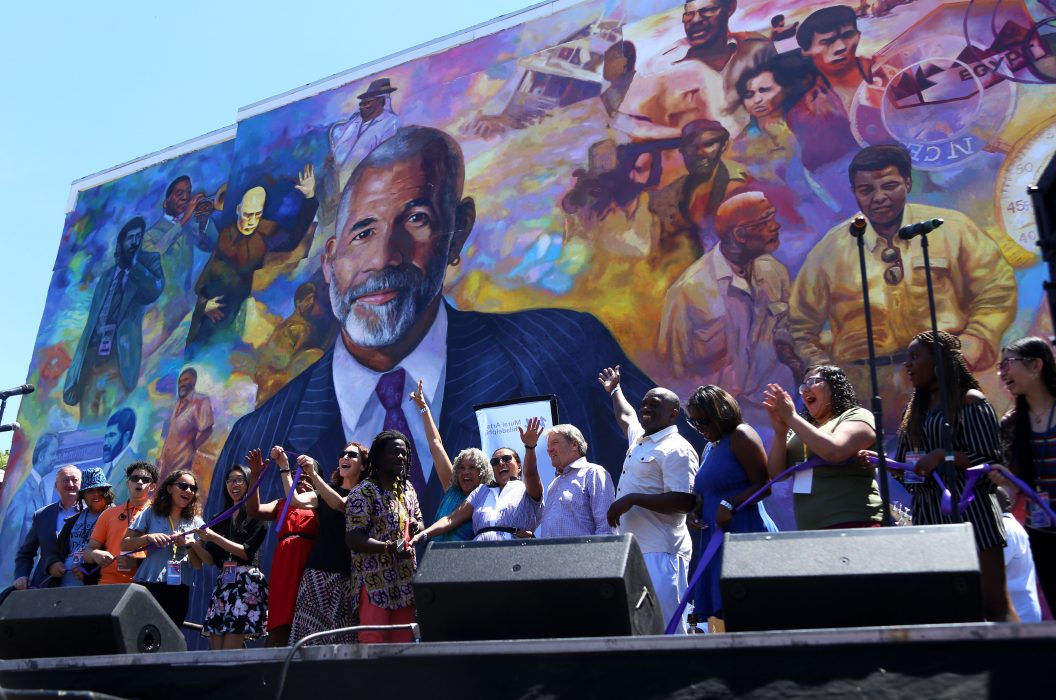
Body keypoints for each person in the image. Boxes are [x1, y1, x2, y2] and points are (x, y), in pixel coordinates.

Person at [204, 125, 674, 539]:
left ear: (458, 231)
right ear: (329, 261)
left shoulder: (571, 351)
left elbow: (689, 490)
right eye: (362, 232)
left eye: (416, 219)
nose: (385, 256)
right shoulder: (256, 437)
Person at [789, 144, 1017, 434]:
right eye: (866, 190)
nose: (879, 197)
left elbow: (996, 288)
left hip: (947, 381)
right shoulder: (830, 251)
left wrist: (975, 342)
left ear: (908, 182)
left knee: (966, 465)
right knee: (893, 476)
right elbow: (801, 326)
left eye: (890, 185)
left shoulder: (949, 229)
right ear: (854, 192)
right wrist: (828, 376)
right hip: (869, 398)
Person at [893, 330, 1016, 621]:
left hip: (972, 513)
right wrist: (900, 469)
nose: (907, 366)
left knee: (993, 605)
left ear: (939, 361)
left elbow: (989, 461)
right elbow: (907, 467)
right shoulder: (915, 411)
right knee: (946, 608)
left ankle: (1019, 662)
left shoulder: (969, 400)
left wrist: (942, 456)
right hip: (929, 516)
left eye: (914, 357)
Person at [658, 192, 797, 421]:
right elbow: (672, 370)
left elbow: (784, 336)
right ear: (741, 234)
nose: (776, 226)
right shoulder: (689, 290)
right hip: (719, 420)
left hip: (771, 414)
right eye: (766, 221)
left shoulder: (775, 273)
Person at [598, 367, 699, 633]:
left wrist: (632, 499)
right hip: (635, 552)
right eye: (644, 404)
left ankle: (682, 675)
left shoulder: (676, 448)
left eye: (654, 405)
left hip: (662, 553)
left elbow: (683, 501)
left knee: (668, 629)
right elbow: (626, 415)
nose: (646, 409)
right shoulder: (642, 440)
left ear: (673, 413)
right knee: (641, 629)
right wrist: (615, 390)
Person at [186, 170, 319, 355]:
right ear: (238, 209)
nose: (251, 221)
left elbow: (293, 239)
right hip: (209, 309)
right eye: (247, 214)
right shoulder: (223, 234)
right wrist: (203, 305)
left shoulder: (266, 233)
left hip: (235, 312)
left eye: (257, 215)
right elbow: (205, 276)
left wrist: (310, 198)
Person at [614, 0, 775, 141]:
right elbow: (624, 122)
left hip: (755, 150)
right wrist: (684, 135)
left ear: (730, 8)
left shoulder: (757, 49)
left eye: (707, 11)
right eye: (689, 14)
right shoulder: (658, 67)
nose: (696, 20)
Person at [683, 385, 776, 623]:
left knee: (753, 610)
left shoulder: (741, 435)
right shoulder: (710, 446)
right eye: (693, 423)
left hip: (745, 534)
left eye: (702, 421)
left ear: (721, 412)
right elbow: (706, 492)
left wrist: (730, 502)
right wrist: (695, 511)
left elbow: (765, 484)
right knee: (728, 617)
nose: (699, 429)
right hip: (718, 540)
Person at [62, 216, 164, 423]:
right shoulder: (108, 275)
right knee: (87, 415)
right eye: (130, 238)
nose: (135, 242)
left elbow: (154, 289)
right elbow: (94, 316)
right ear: (121, 242)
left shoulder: (148, 263)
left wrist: (135, 266)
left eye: (138, 237)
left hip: (119, 354)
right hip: (93, 352)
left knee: (108, 413)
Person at [763, 364, 883, 529]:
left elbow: (835, 451)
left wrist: (791, 417)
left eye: (812, 382)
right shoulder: (801, 428)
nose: (805, 390)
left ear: (835, 386)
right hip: (810, 529)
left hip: (853, 522)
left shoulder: (856, 415)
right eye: (803, 386)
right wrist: (780, 432)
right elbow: (777, 474)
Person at [346, 430, 424, 644]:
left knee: (402, 643)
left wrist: (416, 527)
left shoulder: (408, 489)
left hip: (405, 580)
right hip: (374, 581)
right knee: (374, 642)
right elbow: (353, 538)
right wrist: (388, 547)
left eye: (404, 454)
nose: (401, 457)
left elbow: (419, 521)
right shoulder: (363, 492)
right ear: (379, 457)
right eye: (394, 453)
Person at [995, 335, 1056, 608]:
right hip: (1041, 531)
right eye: (1001, 366)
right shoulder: (1010, 425)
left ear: (1036, 366)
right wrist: (1003, 479)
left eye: (1009, 363)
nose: (1003, 372)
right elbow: (1015, 486)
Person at [285, 443, 365, 645]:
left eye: (352, 455)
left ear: (364, 465)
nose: (345, 457)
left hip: (346, 578)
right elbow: (294, 499)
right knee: (307, 639)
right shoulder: (324, 493)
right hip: (316, 574)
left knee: (340, 642)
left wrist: (313, 474)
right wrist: (283, 467)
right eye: (342, 453)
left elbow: (340, 504)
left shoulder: (364, 495)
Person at [412, 423, 541, 543]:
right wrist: (422, 535)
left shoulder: (526, 489)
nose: (500, 463)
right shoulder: (481, 491)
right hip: (478, 558)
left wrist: (530, 447)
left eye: (506, 458)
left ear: (519, 466)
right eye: (495, 462)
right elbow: (451, 519)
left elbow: (530, 473)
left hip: (514, 556)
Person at [244, 448, 319, 648]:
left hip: (308, 565)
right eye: (297, 474)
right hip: (284, 566)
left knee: (305, 620)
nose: (301, 478)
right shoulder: (282, 503)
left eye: (307, 474)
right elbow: (254, 510)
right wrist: (256, 475)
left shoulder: (321, 503)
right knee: (280, 624)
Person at [648, 119, 750, 258]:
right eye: (691, 146)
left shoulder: (741, 186)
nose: (700, 152)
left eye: (708, 144)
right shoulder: (670, 195)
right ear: (682, 151)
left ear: (723, 145)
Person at [142, 174, 221, 350]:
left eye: (188, 192)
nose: (186, 197)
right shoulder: (150, 236)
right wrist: (186, 217)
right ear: (165, 203)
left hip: (184, 309)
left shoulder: (189, 227)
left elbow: (213, 245)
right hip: (158, 315)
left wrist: (204, 219)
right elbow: (156, 253)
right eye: (179, 193)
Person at [121, 470, 208, 627]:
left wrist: (189, 545)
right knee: (142, 633)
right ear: (169, 489)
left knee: (169, 636)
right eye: (183, 486)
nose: (188, 491)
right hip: (148, 583)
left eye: (192, 488)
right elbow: (125, 544)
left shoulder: (196, 522)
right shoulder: (151, 512)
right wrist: (148, 537)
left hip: (178, 589)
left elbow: (197, 565)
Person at [409, 379, 490, 541]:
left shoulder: (486, 498)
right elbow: (435, 444)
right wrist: (424, 408)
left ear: (483, 473)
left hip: (464, 562)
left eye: (472, 468)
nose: (465, 472)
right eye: (461, 468)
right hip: (435, 559)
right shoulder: (452, 490)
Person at [199, 463, 268, 649]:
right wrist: (192, 544)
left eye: (239, 480)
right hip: (224, 583)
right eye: (230, 480)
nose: (234, 484)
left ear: (248, 483)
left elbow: (246, 552)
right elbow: (210, 559)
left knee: (230, 649)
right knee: (216, 649)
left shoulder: (257, 514)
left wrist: (214, 537)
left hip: (246, 581)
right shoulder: (219, 518)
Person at [535, 424, 617, 538]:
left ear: (574, 445)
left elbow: (606, 527)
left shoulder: (593, 473)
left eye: (555, 443)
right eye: (548, 446)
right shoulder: (554, 483)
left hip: (582, 555)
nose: (549, 449)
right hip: (551, 554)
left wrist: (599, 554)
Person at [83, 461, 157, 586]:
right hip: (109, 583)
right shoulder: (108, 514)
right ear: (128, 483)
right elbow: (88, 552)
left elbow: (166, 555)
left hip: (145, 584)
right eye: (135, 478)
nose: (139, 482)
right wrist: (96, 554)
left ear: (152, 486)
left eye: (145, 479)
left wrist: (136, 563)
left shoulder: (160, 515)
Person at [13, 466, 81, 590]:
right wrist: (21, 575)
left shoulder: (92, 514)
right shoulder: (42, 515)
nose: (71, 484)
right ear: (56, 485)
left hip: (81, 586)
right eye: (65, 480)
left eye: (75, 480)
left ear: (82, 484)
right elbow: (25, 553)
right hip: (44, 585)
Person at [48, 468, 114, 587]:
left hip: (95, 589)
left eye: (100, 490)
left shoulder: (116, 518)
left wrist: (90, 573)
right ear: (83, 494)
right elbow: (54, 551)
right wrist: (53, 564)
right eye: (91, 491)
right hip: (63, 586)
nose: (96, 494)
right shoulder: (72, 521)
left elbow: (118, 556)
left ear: (107, 492)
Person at [157, 368, 214, 484]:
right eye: (180, 382)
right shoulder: (178, 403)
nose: (182, 384)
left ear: (194, 381)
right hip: (166, 463)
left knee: (176, 491)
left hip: (182, 462)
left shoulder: (201, 401)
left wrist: (192, 447)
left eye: (186, 380)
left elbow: (207, 429)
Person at [996, 486, 1041, 622]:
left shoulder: (1006, 528)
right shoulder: (1008, 526)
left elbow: (991, 571)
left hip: (1020, 617)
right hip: (1021, 614)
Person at [97, 408, 142, 505]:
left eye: (112, 435)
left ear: (126, 436)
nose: (106, 443)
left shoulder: (135, 468)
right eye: (106, 436)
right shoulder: (106, 467)